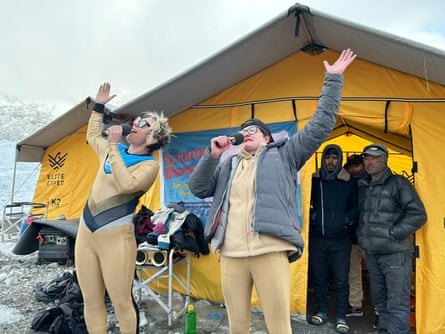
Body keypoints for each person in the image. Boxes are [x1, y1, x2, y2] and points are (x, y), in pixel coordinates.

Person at [188, 49, 356, 334]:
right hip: (231, 253)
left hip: (270, 249)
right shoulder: (228, 166)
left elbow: (321, 124)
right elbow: (198, 188)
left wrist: (333, 80)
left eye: (255, 129)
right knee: (237, 326)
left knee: (278, 326)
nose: (248, 132)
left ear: (267, 137)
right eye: (244, 130)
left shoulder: (285, 154)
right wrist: (212, 155)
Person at [74, 82, 172, 334]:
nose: (137, 123)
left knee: (121, 302)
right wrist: (99, 107)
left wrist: (115, 148)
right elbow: (92, 136)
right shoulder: (112, 149)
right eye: (138, 119)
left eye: (145, 124)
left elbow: (127, 184)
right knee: (91, 301)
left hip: (117, 240)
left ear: (154, 139)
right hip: (86, 235)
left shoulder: (149, 165)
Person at [356, 143, 427, 334]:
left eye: (374, 158)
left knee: (397, 302)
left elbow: (418, 214)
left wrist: (393, 233)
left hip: (395, 253)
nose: (369, 162)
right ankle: (385, 330)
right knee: (380, 299)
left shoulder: (398, 183)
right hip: (372, 252)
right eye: (366, 158)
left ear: (384, 160)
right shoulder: (363, 185)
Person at [309, 144, 359, 334]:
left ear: (339, 160)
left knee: (341, 279)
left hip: (341, 240)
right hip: (319, 239)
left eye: (334, 158)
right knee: (319, 278)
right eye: (327, 157)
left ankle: (341, 316)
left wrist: (346, 220)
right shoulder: (315, 180)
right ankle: (321, 311)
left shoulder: (348, 182)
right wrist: (313, 216)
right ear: (323, 159)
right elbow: (305, 201)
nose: (331, 161)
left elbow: (356, 206)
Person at [343, 154, 367, 317]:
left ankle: (382, 310)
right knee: (353, 273)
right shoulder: (348, 185)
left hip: (370, 237)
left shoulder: (373, 182)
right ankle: (355, 305)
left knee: (376, 274)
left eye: (356, 166)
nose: (353, 170)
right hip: (353, 236)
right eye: (351, 167)